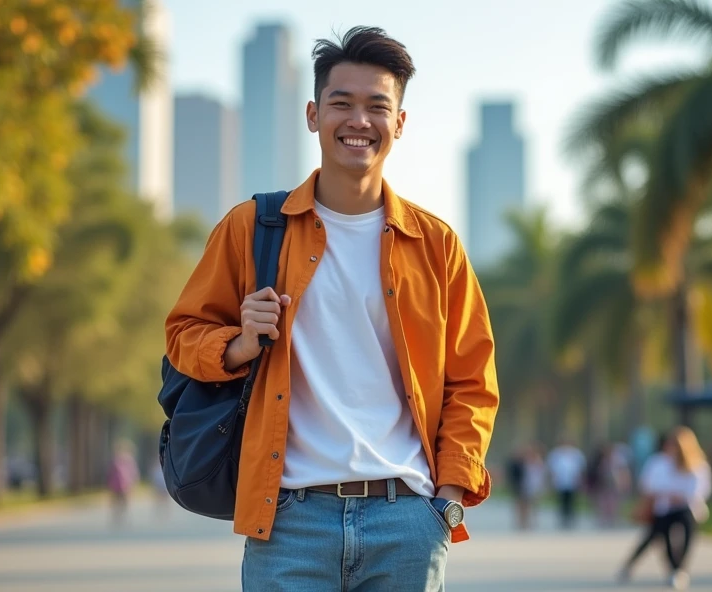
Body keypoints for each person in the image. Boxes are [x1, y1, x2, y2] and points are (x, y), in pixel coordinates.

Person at [164, 26, 499, 591]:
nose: (359, 121)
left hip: (407, 520)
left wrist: (446, 503)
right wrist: (238, 344)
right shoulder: (252, 228)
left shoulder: (435, 244)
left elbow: (473, 381)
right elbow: (182, 335)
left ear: (399, 123)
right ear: (314, 114)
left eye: (377, 106)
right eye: (342, 103)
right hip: (289, 521)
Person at [619, 428, 712, 590]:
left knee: (687, 533)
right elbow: (648, 485)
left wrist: (680, 495)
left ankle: (678, 570)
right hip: (663, 507)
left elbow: (701, 489)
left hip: (686, 507)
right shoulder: (658, 462)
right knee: (657, 536)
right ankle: (641, 566)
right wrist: (668, 493)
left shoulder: (697, 464)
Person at [546, 438, 586, 528]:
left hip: (573, 482)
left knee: (572, 501)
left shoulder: (576, 454)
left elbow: (580, 468)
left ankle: (571, 518)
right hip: (560, 482)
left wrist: (579, 479)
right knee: (562, 501)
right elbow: (551, 468)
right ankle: (563, 519)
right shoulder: (555, 454)